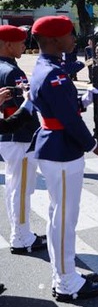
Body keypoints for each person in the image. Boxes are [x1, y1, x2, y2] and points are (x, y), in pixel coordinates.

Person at [29, 15, 98, 301]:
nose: (73, 38)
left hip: (56, 148)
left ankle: (65, 274)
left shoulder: (48, 67)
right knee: (65, 219)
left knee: (59, 216)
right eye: (69, 34)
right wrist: (95, 146)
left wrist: (86, 98)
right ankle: (66, 282)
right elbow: (68, 119)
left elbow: (64, 107)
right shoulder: (53, 74)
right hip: (62, 151)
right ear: (55, 40)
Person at [0, 25, 46, 255]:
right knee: (20, 190)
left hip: (8, 137)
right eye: (20, 42)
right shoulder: (12, 72)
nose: (24, 45)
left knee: (14, 187)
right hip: (21, 137)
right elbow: (25, 109)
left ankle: (20, 233)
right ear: (8, 45)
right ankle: (21, 237)